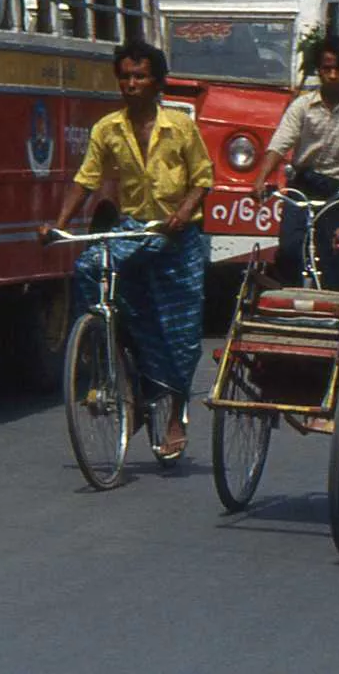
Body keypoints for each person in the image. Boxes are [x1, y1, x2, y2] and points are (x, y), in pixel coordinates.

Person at [44, 40, 213, 461]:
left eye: (140, 76)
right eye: (125, 76)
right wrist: (58, 226)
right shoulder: (108, 128)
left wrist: (182, 213)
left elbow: (202, 179)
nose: (131, 84)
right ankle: (111, 363)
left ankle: (174, 412)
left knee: (180, 336)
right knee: (88, 268)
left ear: (157, 82)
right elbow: (86, 180)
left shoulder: (180, 126)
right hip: (134, 232)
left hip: (178, 239)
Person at [251, 35, 339, 290]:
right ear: (319, 70)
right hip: (304, 185)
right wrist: (260, 178)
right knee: (290, 248)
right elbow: (280, 144)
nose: (332, 75)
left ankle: (338, 309)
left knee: (338, 253)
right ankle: (288, 303)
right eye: (326, 68)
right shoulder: (303, 106)